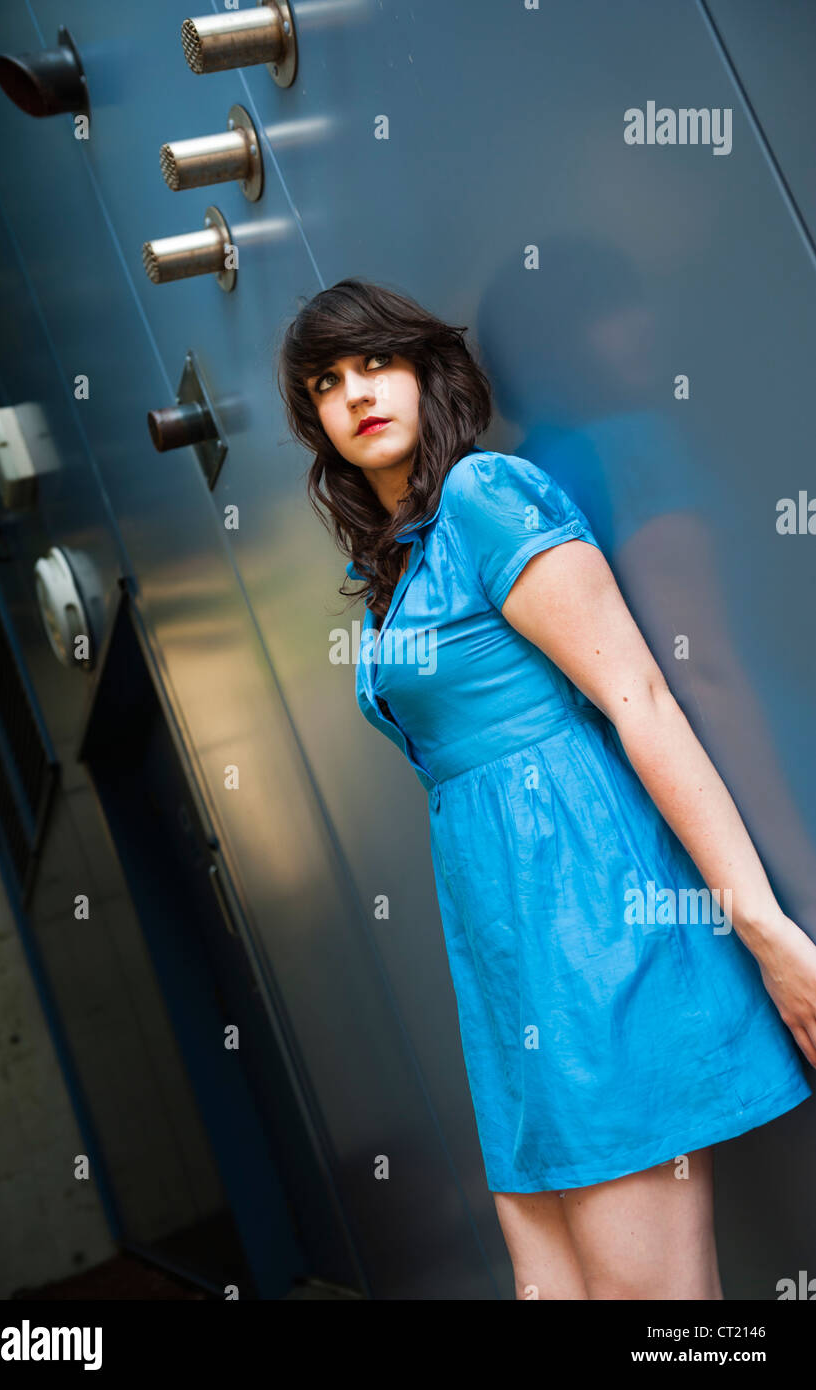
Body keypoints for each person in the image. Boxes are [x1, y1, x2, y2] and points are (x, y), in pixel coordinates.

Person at [277, 277, 816, 1301]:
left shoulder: (486, 493)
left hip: (593, 923)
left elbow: (641, 698)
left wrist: (767, 930)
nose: (354, 393)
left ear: (425, 371)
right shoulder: (398, 564)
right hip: (508, 960)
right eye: (325, 384)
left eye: (373, 363)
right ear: (317, 427)